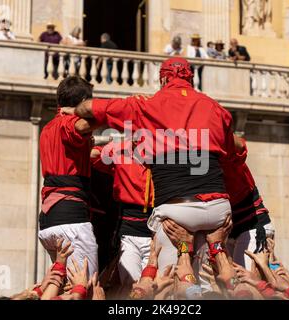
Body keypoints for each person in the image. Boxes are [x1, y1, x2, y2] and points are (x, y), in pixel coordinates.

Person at [61, 57, 236, 289]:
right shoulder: (217, 109)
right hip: (218, 210)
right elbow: (230, 153)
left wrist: (77, 112)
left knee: (170, 284)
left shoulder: (145, 105)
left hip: (178, 210)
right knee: (205, 282)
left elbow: (88, 108)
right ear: (191, 79)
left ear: (163, 78)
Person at [38, 76, 100, 279]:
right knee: (85, 287)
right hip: (70, 218)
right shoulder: (69, 124)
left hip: (49, 220)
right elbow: (83, 126)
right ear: (83, 101)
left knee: (61, 286)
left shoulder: (48, 128)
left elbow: (69, 157)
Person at [91, 140, 154, 291]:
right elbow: (93, 155)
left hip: (156, 230)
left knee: (154, 287)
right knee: (130, 286)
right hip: (129, 231)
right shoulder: (121, 150)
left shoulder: (164, 150)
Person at [220, 134, 274, 270]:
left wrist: (212, 131)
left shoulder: (227, 155)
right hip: (228, 231)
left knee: (248, 284)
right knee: (229, 286)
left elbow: (241, 145)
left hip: (253, 226)